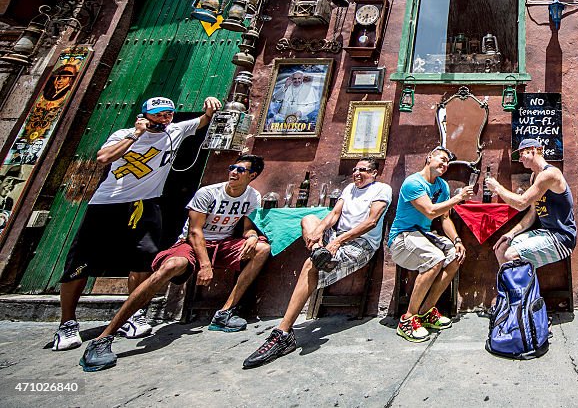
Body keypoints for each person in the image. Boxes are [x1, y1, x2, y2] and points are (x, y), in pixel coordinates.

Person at [52, 95, 222, 352]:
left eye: (168, 114)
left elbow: (202, 121)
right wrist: (136, 135)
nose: (165, 119)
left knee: (143, 260)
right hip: (108, 204)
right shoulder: (124, 134)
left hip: (146, 203)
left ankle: (133, 315)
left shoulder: (174, 130)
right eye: (159, 115)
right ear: (145, 116)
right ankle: (67, 322)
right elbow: (103, 158)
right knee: (81, 261)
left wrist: (210, 107)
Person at [79, 154, 270, 371]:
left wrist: (252, 236)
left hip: (222, 244)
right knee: (171, 266)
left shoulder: (253, 196)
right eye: (232, 168)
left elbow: (247, 228)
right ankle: (104, 338)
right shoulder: (208, 193)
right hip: (191, 244)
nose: (233, 173)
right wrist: (205, 265)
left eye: (240, 170)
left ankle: (225, 312)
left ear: (252, 175)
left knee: (262, 248)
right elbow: (195, 232)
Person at [243, 158, 392, 367]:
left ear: (375, 173)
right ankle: (319, 253)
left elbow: (371, 222)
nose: (357, 174)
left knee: (309, 266)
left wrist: (339, 241)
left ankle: (283, 332)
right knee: (308, 220)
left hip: (360, 244)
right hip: (336, 239)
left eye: (364, 170)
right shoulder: (349, 188)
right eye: (355, 170)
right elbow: (334, 214)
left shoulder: (381, 190)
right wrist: (320, 231)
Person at [387, 146, 473, 342]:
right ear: (429, 158)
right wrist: (458, 198)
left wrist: (457, 240)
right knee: (434, 258)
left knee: (454, 257)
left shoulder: (442, 186)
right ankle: (408, 319)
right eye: (441, 159)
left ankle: (425, 312)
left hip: (424, 236)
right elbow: (431, 211)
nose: (444, 164)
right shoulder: (413, 182)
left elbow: (444, 219)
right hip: (402, 238)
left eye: (447, 162)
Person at [486, 138, 576, 271]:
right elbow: (533, 212)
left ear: (533, 150)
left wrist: (498, 188)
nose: (520, 159)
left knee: (511, 255)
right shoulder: (534, 176)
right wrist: (511, 233)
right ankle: (514, 291)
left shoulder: (550, 174)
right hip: (545, 232)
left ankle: (524, 291)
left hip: (562, 237)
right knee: (502, 248)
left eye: (522, 153)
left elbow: (521, 203)